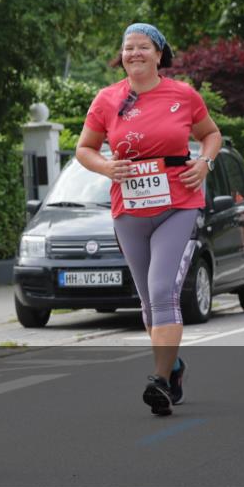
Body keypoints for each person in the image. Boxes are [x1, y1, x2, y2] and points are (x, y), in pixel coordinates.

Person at [76, 23, 222, 416]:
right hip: (129, 210)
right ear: (121, 56)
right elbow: (84, 149)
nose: (134, 53)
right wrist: (106, 167)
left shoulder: (183, 95)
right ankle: (173, 369)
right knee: (146, 302)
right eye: (128, 47)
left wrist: (205, 162)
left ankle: (158, 381)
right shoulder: (107, 99)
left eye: (143, 47)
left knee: (162, 291)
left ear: (160, 55)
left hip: (178, 202)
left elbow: (212, 135)